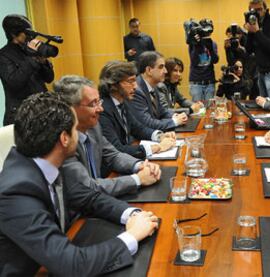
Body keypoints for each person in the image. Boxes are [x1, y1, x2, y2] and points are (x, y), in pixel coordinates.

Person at [0, 92, 159, 276]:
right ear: (64, 138)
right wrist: (132, 236)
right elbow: (72, 265)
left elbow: (87, 197)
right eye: (75, 129)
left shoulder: (45, 159)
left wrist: (131, 215)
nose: (81, 134)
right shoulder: (16, 193)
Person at [54, 75, 161, 197]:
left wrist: (139, 165)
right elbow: (88, 187)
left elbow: (113, 155)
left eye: (99, 101)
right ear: (71, 109)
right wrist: (137, 179)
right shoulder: (64, 142)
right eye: (93, 104)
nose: (101, 109)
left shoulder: (93, 127)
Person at [98, 60, 176, 159]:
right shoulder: (102, 110)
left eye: (135, 80)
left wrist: (160, 136)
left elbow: (137, 128)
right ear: (113, 84)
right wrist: (157, 147)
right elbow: (116, 148)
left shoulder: (123, 100)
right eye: (130, 81)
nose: (135, 86)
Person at [0, 14, 54, 125]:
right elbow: (14, 82)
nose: (30, 36)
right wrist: (32, 59)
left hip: (42, 110)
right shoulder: (3, 55)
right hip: (20, 115)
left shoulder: (29, 50)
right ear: (13, 34)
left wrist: (43, 61)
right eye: (26, 33)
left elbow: (49, 78)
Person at [130, 51, 188, 131]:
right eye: (161, 67)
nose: (166, 71)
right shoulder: (136, 90)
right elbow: (147, 122)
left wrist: (175, 116)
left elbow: (162, 111)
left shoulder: (154, 85)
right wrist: (174, 121)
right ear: (149, 70)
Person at [245, 0, 270, 98]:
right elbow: (248, 50)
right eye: (253, 10)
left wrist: (257, 32)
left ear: (265, 9)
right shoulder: (253, 23)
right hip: (260, 71)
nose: (256, 13)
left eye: (259, 9)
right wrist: (250, 32)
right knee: (263, 105)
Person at [187, 19, 219, 101]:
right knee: (198, 111)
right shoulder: (193, 43)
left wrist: (210, 49)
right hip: (196, 82)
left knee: (209, 109)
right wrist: (198, 45)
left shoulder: (212, 43)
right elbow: (194, 61)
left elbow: (215, 60)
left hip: (210, 82)